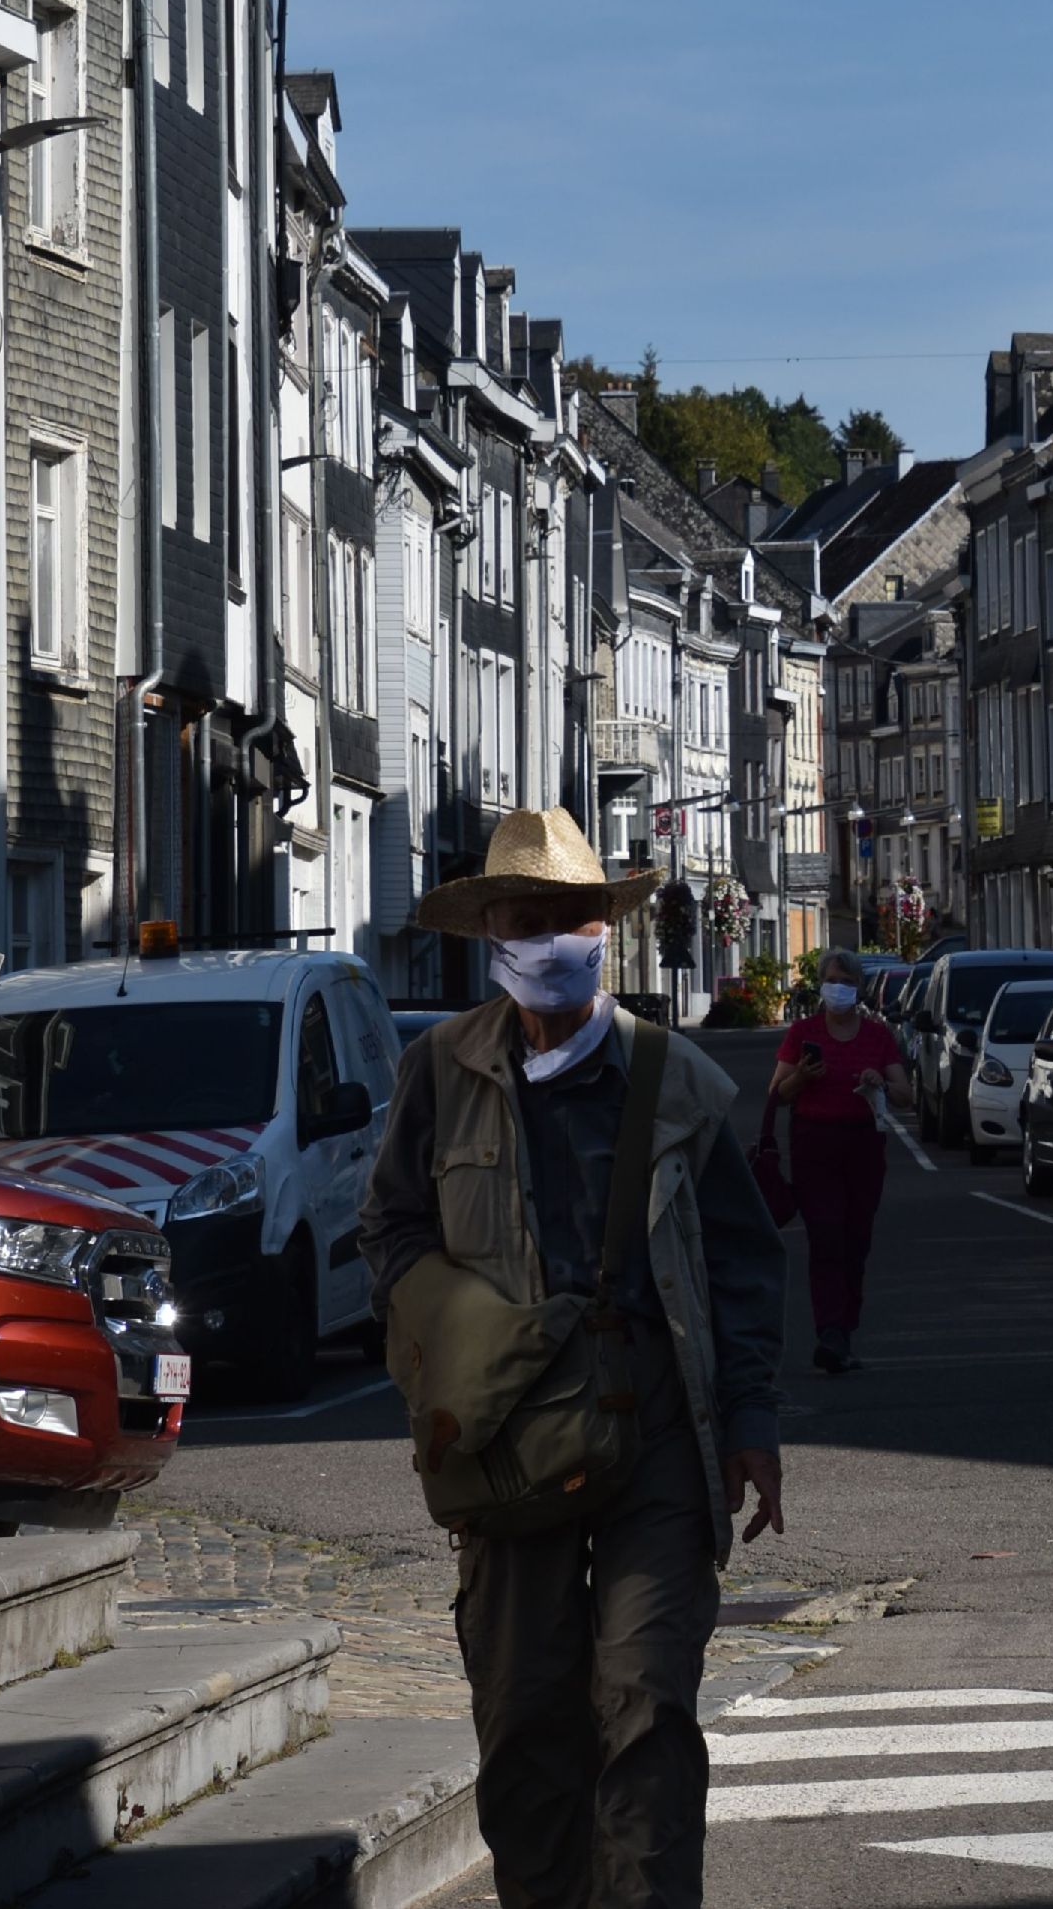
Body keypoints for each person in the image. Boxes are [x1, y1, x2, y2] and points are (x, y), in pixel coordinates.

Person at [357, 807, 786, 1909]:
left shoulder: (676, 1079)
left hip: (655, 1427)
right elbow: (390, 1227)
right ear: (489, 934)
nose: (547, 939)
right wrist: (449, 1345)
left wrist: (752, 1424)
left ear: (605, 930)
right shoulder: (438, 1069)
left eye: (570, 918)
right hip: (504, 1441)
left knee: (646, 1703)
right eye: (524, 919)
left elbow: (743, 1263)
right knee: (523, 1718)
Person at [767, 946, 911, 1375]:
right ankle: (830, 1332)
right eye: (832, 981)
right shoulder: (803, 1032)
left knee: (855, 1240)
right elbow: (777, 1094)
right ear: (820, 985)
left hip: (863, 1145)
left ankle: (844, 1328)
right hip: (814, 1143)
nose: (839, 989)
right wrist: (801, 1076)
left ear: (859, 988)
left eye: (847, 983)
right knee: (826, 1237)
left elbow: (905, 1095)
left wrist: (880, 1082)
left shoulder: (877, 1036)